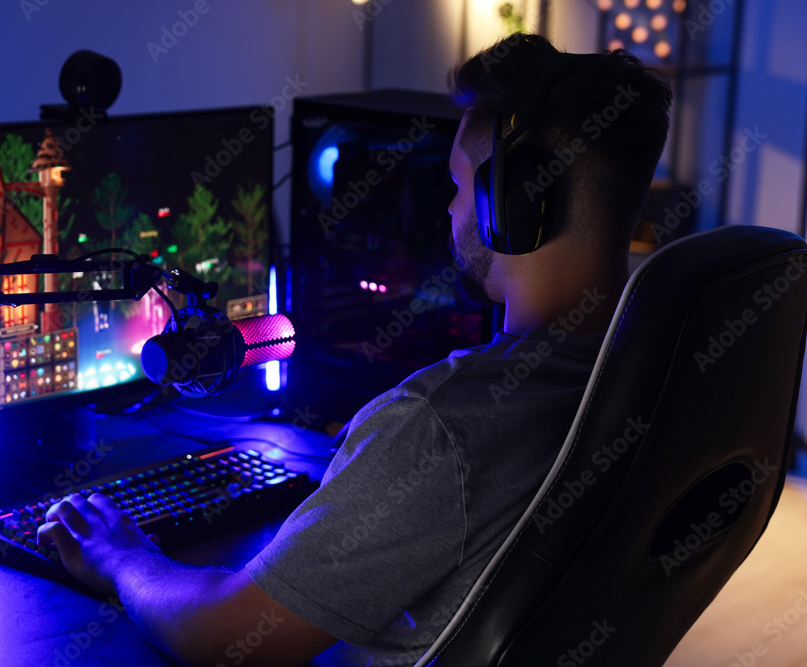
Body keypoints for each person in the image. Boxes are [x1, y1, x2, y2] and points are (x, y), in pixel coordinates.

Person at [38, 33, 673, 667]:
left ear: (511, 202)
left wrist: (123, 557)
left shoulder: (438, 423)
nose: (449, 209)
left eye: (456, 185)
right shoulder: (659, 369)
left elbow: (226, 638)